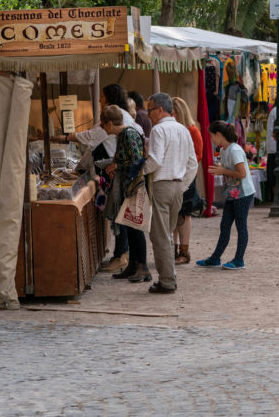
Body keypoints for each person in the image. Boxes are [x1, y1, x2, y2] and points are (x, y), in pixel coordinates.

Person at [54, 83, 142, 273]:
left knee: (122, 216)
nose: (100, 100)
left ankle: (125, 257)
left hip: (124, 179)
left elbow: (134, 157)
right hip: (119, 176)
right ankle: (127, 258)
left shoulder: (120, 124)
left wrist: (61, 138)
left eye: (102, 96)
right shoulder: (122, 119)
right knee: (122, 217)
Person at [142, 93, 198, 293]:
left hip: (162, 185)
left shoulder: (159, 129)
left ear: (159, 109)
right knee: (166, 234)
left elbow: (155, 160)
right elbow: (193, 163)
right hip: (177, 187)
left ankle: (166, 281)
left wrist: (140, 170)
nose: (148, 115)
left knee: (161, 236)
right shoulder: (183, 129)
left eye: (149, 110)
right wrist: (182, 185)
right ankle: (169, 276)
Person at [98, 106, 150, 283]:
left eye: (104, 125)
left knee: (135, 228)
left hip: (133, 187)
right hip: (127, 187)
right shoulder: (122, 135)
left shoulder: (129, 134)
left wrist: (117, 166)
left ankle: (143, 267)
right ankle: (133, 265)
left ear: (110, 123)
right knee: (129, 226)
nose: (104, 129)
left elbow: (136, 160)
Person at [197, 121, 256, 270]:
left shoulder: (234, 150)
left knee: (240, 226)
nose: (211, 139)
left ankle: (238, 260)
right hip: (233, 192)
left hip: (242, 193)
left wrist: (222, 171)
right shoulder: (225, 150)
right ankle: (215, 258)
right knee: (225, 225)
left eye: (211, 136)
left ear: (218, 135)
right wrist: (222, 169)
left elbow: (242, 173)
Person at [171, 97, 203, 265]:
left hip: (187, 176)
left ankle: (184, 250)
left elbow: (198, 155)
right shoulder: (171, 129)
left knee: (184, 214)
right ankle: (173, 249)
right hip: (173, 175)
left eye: (173, 113)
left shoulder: (192, 130)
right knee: (173, 214)